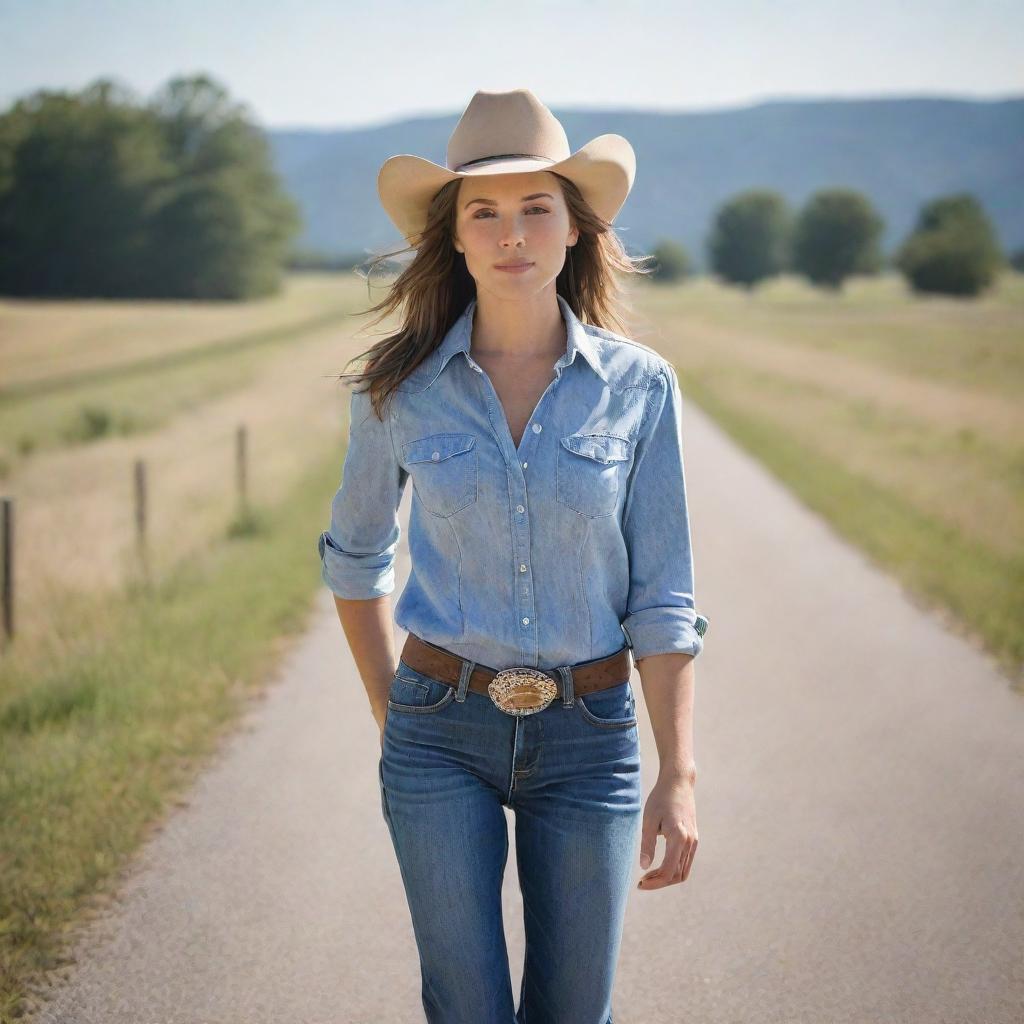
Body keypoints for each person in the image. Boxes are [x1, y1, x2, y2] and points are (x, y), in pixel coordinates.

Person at [317, 88, 709, 1024]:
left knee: (576, 1010)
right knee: (468, 1008)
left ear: (578, 229)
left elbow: (664, 595)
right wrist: (396, 715)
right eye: (483, 212)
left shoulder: (640, 388)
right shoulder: (398, 388)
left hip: (592, 740)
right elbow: (355, 557)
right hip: (438, 735)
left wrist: (679, 772)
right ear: (453, 237)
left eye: (538, 208)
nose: (512, 234)